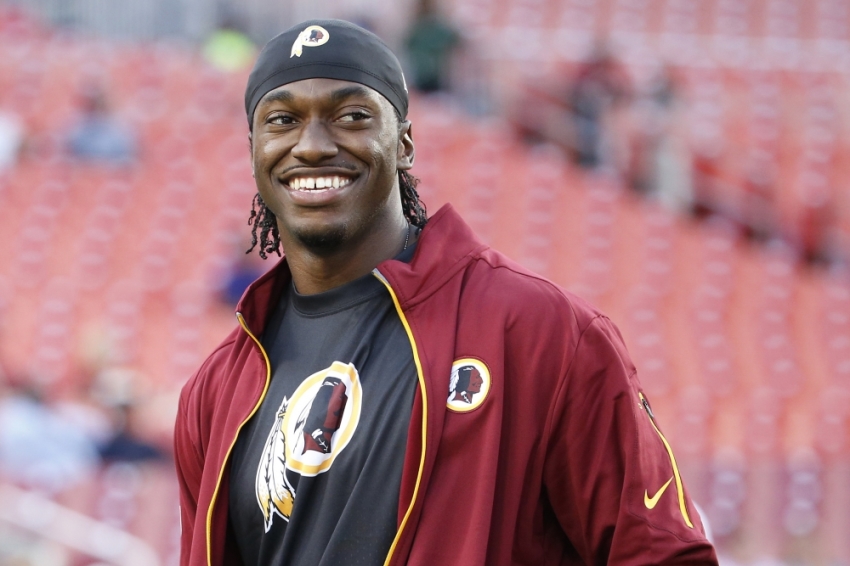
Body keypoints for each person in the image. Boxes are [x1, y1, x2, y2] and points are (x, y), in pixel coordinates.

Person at [174, 19, 719, 566]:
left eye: (352, 116)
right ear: (254, 152)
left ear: (404, 143)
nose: (312, 145)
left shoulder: (541, 331)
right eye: (282, 120)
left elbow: (661, 554)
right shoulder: (217, 389)